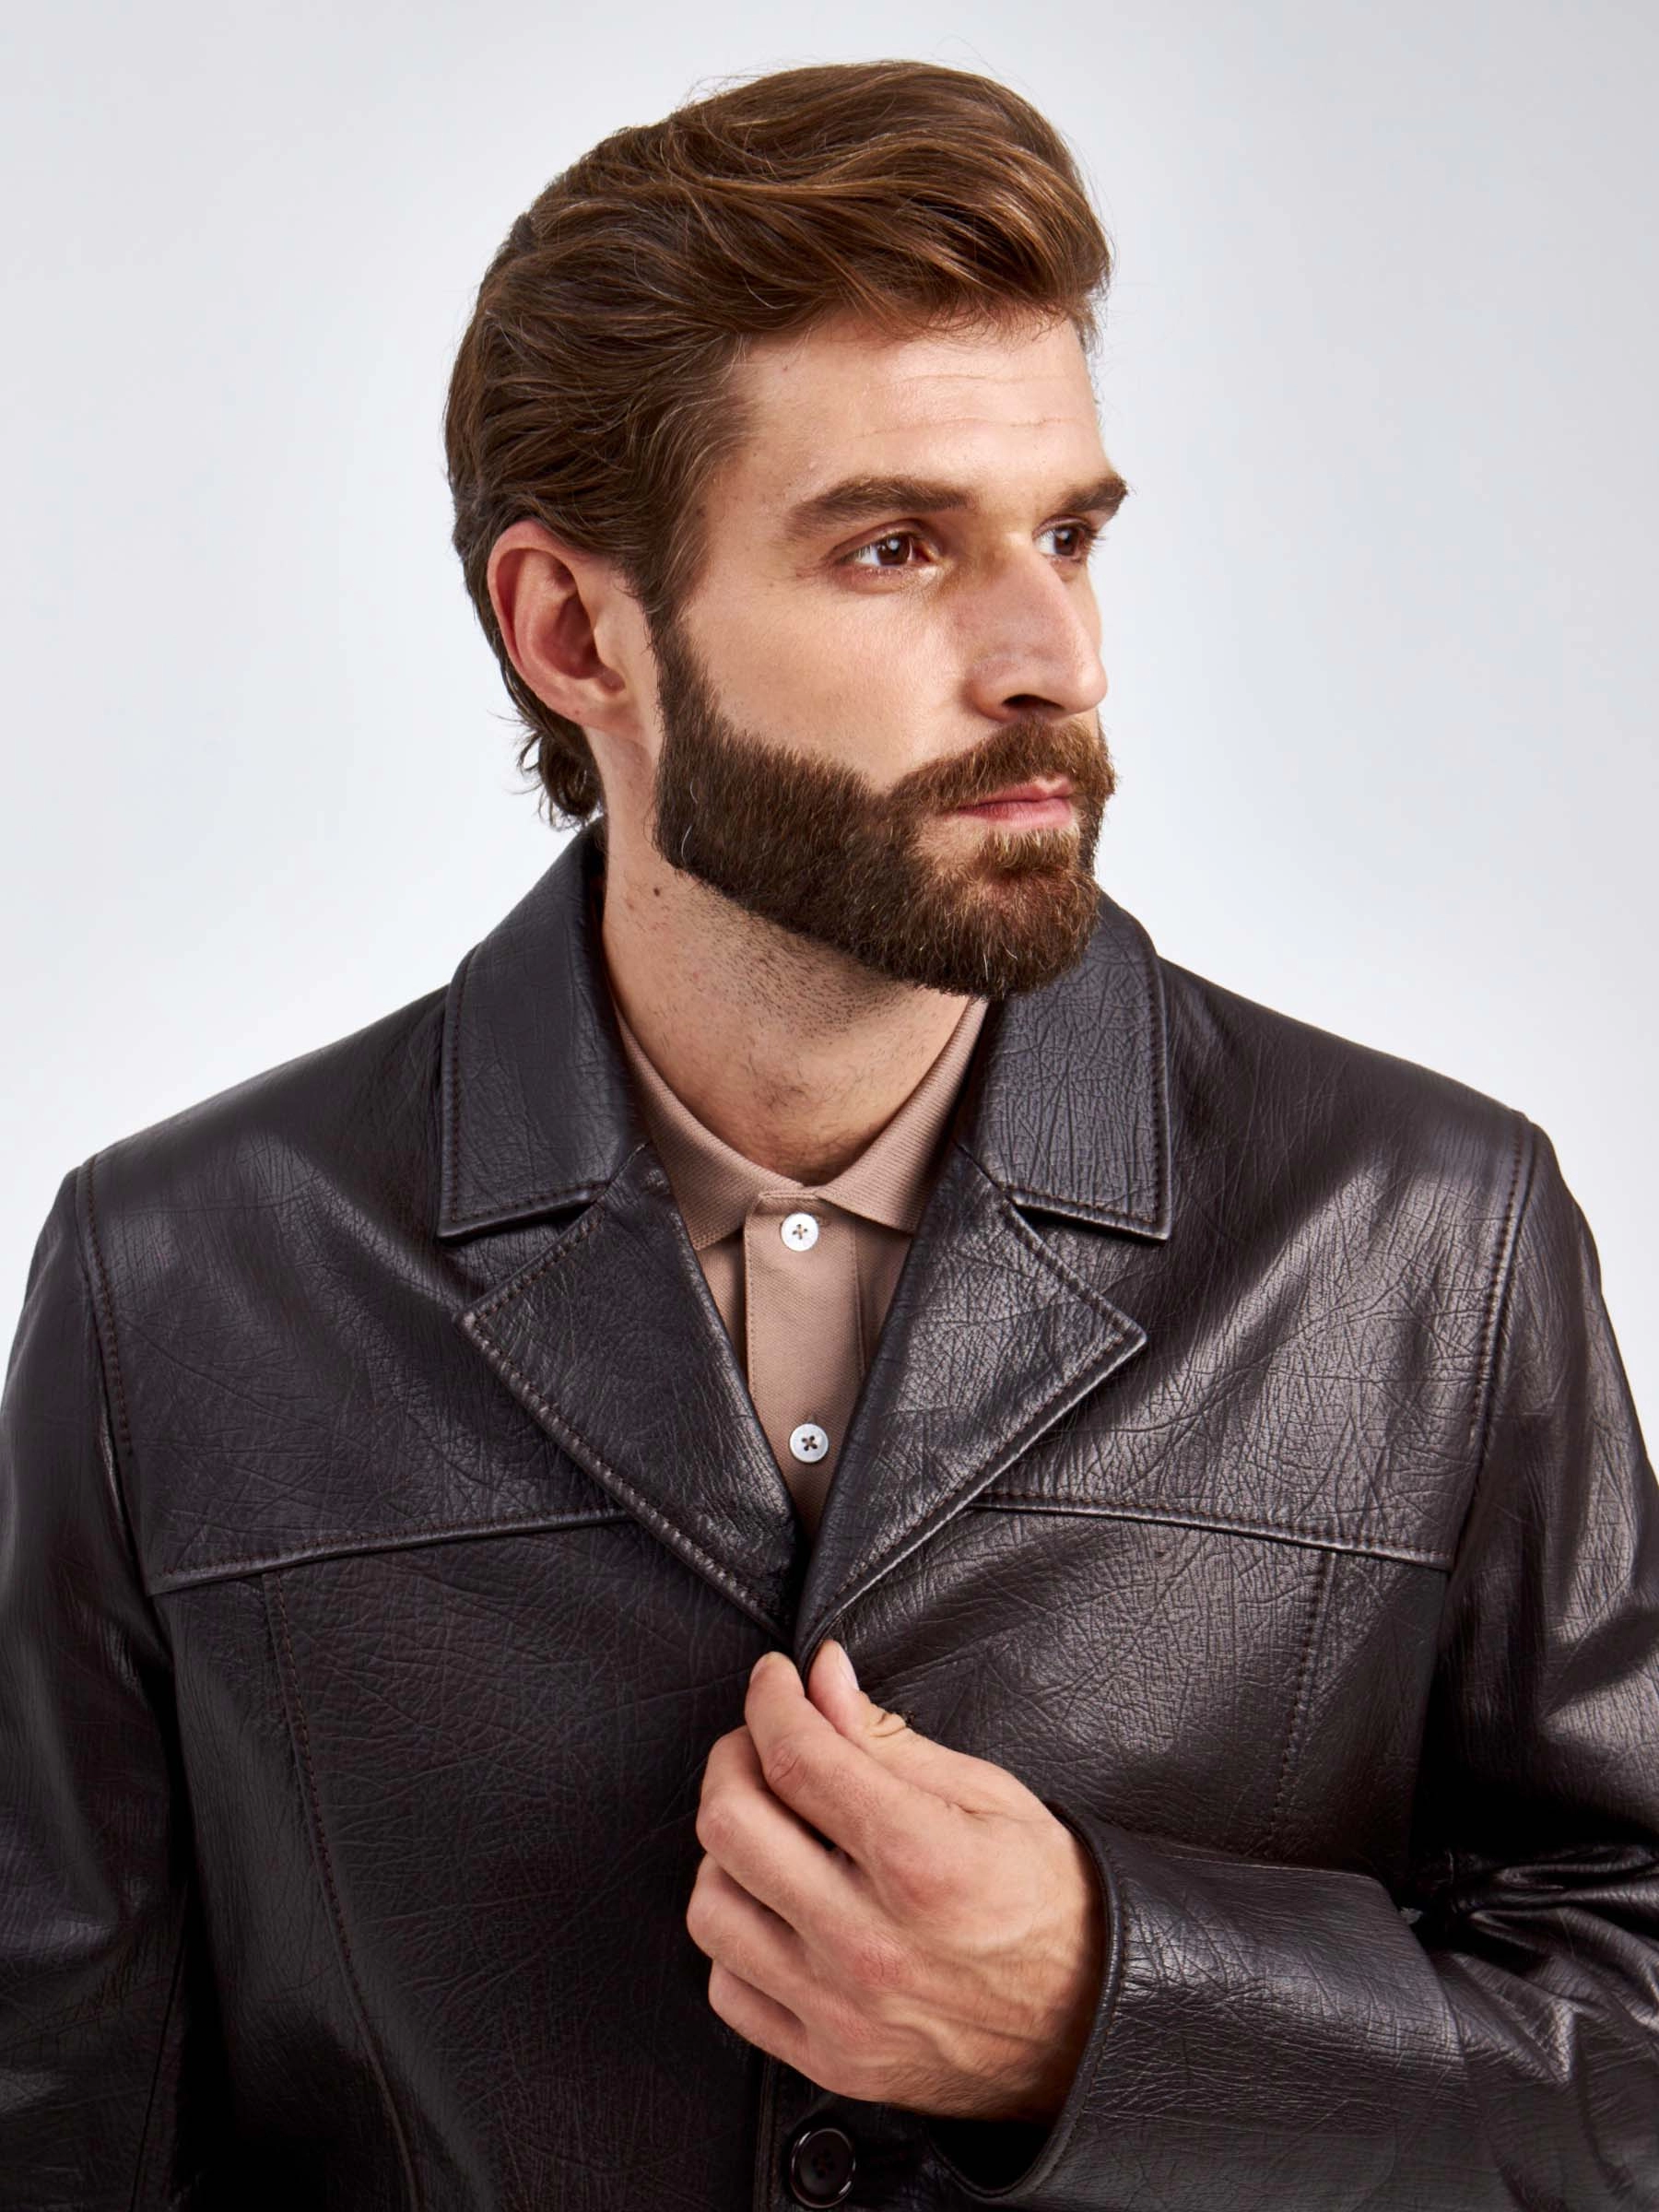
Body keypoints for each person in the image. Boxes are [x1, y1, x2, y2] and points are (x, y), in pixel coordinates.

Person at [2, 54, 1655, 2211]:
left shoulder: (1430, 1238)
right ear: (576, 631)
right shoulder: (182, 1284)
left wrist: (1114, 2011)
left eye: (1069, 535)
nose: (1054, 657)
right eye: (895, 548)